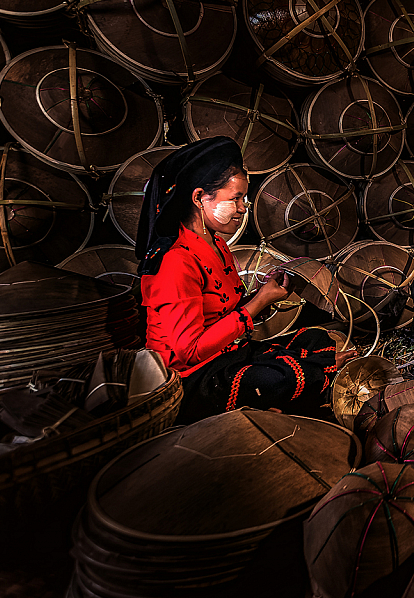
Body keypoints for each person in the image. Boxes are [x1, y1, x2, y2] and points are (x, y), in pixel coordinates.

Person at [136, 136, 356, 423]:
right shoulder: (176, 260)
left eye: (244, 198)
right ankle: (312, 379)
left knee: (317, 339)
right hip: (192, 377)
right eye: (235, 198)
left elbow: (226, 310)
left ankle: (308, 379)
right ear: (200, 198)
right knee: (279, 378)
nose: (242, 208)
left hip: (229, 355)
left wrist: (265, 293)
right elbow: (187, 352)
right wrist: (258, 304)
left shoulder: (216, 244)